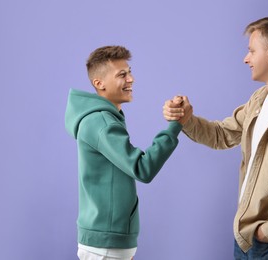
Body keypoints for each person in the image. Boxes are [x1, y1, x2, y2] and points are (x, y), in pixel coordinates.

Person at [163, 16, 268, 259]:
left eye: (252, 51)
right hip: (245, 239)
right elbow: (221, 135)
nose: (246, 58)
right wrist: (186, 120)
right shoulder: (259, 100)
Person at [65, 45, 190, 260]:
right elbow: (143, 168)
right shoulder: (101, 122)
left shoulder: (105, 118)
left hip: (108, 240)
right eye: (122, 74)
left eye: (130, 72)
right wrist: (175, 126)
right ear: (99, 83)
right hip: (107, 244)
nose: (131, 79)